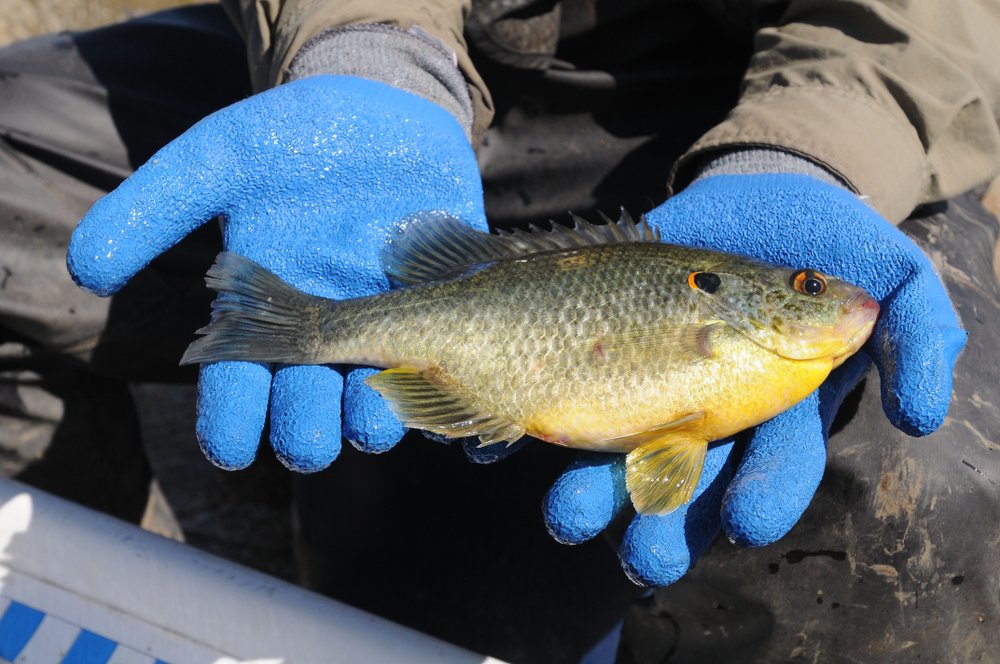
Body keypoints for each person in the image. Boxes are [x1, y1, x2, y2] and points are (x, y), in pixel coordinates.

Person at [1, 1, 998, 661]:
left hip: (740, 117)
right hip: (401, 67)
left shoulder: (756, 287)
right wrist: (365, 47)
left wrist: (813, 153)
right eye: (810, 289)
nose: (832, 302)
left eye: (811, 289)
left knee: (913, 493)